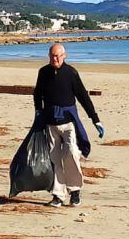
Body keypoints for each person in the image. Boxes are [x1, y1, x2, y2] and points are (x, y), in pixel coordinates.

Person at [33, 43, 105, 207]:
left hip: (69, 123)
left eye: (58, 56)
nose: (55, 59)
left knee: (71, 154)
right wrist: (38, 111)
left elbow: (82, 96)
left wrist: (95, 119)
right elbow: (37, 93)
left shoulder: (71, 72)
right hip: (50, 123)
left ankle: (75, 191)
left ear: (64, 56)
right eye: (52, 55)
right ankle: (58, 195)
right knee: (54, 159)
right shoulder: (43, 72)